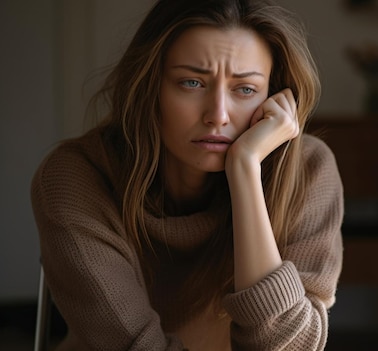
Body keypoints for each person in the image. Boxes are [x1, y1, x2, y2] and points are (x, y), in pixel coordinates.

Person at [30, 0, 344, 349]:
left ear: (273, 97)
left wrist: (244, 171)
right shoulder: (76, 178)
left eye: (245, 89)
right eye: (191, 82)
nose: (218, 115)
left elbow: (291, 347)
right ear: (151, 87)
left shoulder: (308, 170)